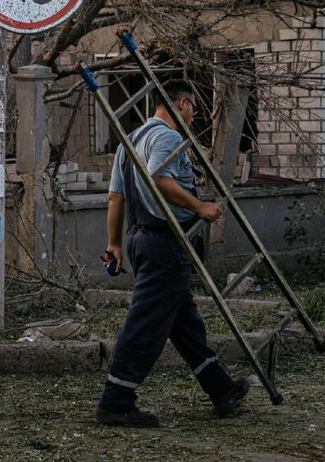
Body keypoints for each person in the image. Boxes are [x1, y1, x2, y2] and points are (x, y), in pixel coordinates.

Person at [96, 79, 249, 427]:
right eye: (194, 107)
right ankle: (116, 401)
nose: (194, 114)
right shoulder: (168, 137)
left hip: (139, 238)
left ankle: (221, 389)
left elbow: (115, 198)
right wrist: (199, 207)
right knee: (146, 323)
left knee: (183, 322)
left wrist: (115, 243)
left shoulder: (129, 141)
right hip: (165, 240)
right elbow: (158, 178)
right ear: (182, 103)